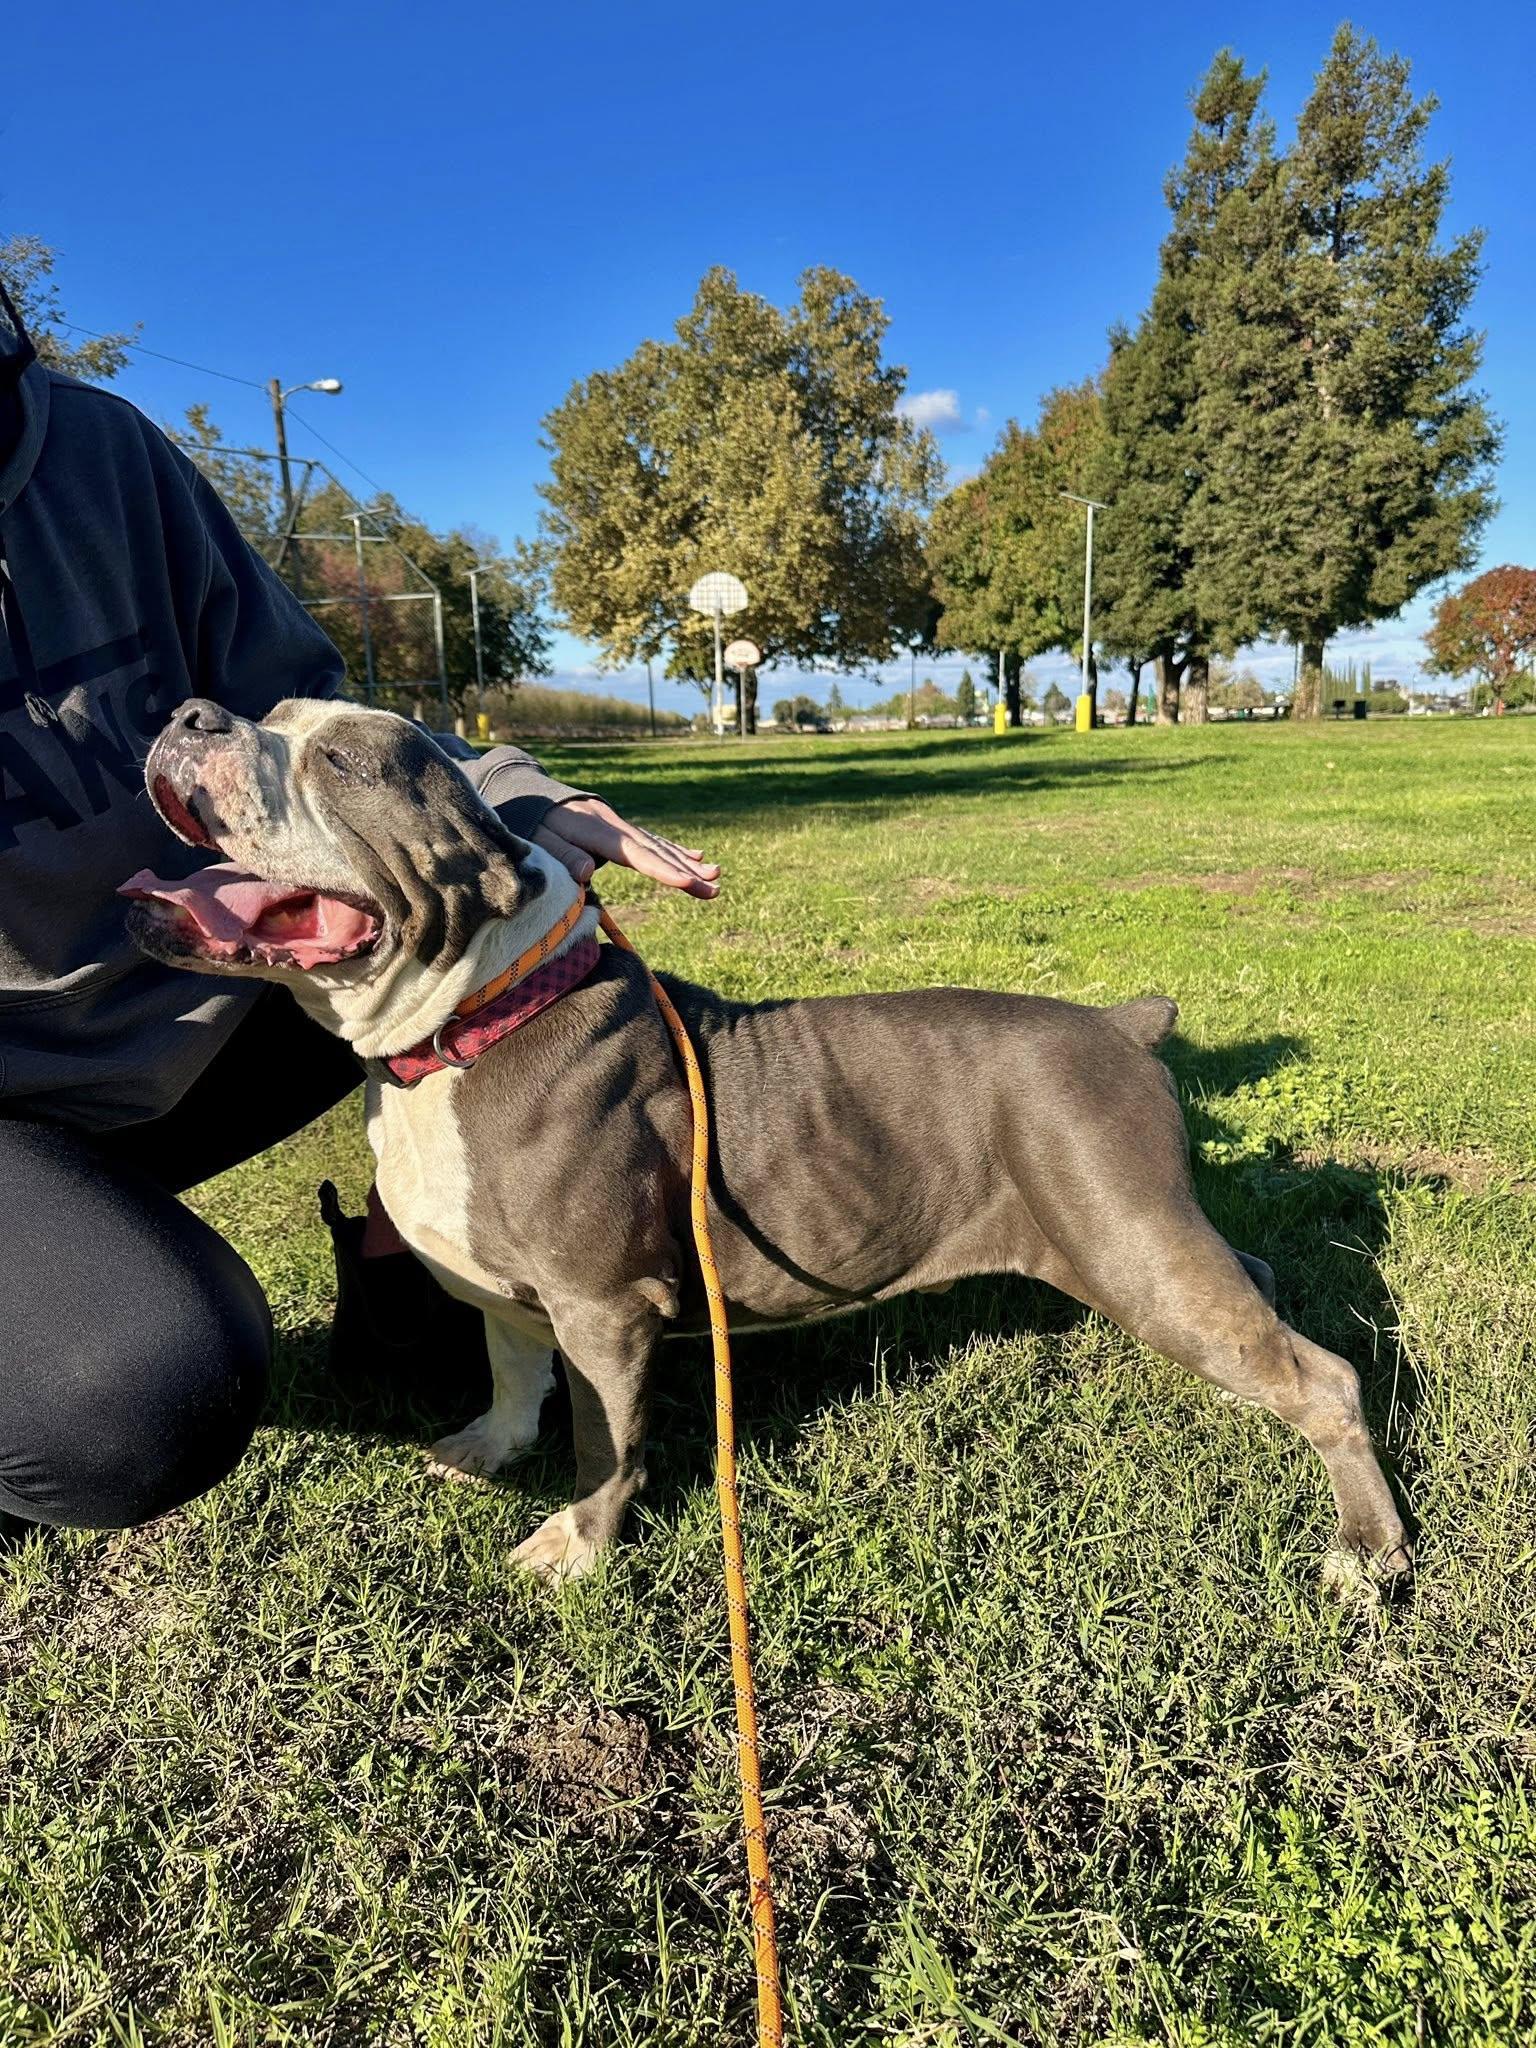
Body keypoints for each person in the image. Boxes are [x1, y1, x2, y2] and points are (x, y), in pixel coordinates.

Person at [0, 282, 717, 1533]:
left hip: (195, 997)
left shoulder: (95, 449)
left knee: (505, 950)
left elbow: (309, 713)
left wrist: (518, 804)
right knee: (133, 1397)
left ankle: (412, 1273)